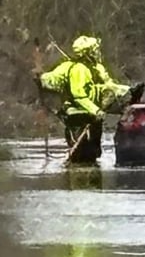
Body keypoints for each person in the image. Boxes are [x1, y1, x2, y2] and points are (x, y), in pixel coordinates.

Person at [38, 35, 128, 163]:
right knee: (82, 155)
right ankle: (78, 176)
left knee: (94, 153)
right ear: (88, 52)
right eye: (95, 50)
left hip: (93, 116)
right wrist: (96, 111)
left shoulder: (96, 68)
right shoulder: (78, 70)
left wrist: (126, 91)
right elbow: (79, 96)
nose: (98, 52)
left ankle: (89, 176)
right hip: (78, 118)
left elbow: (108, 85)